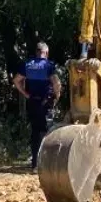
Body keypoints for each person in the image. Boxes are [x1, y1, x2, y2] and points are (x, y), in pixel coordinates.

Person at [13, 42, 62, 170]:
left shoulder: (27, 64)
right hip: (45, 103)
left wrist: (26, 94)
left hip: (32, 102)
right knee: (46, 131)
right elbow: (56, 83)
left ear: (37, 52)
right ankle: (44, 163)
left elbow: (16, 80)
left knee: (35, 132)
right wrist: (57, 96)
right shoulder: (49, 65)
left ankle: (35, 163)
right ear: (46, 53)